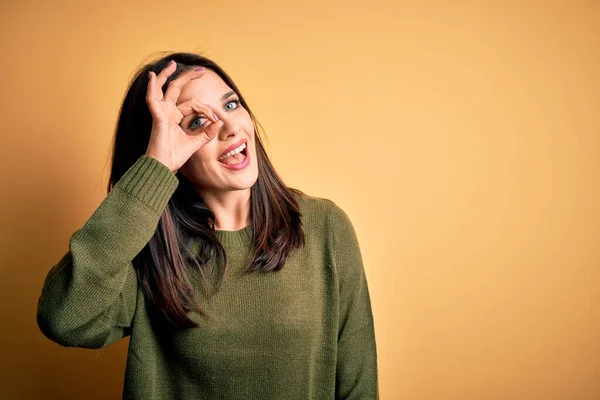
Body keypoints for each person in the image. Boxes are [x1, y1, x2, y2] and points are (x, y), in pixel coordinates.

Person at [36, 52, 378, 399]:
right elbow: (65, 320)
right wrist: (155, 167)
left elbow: (358, 384)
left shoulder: (325, 227)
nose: (230, 128)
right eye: (197, 123)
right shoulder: (146, 245)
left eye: (231, 105)